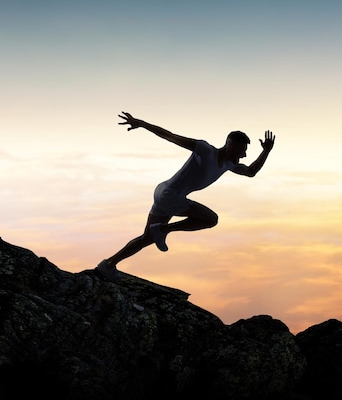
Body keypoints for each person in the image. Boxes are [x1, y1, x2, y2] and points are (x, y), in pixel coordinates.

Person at [96, 111, 276, 281]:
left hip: (165, 193)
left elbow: (251, 171)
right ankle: (164, 230)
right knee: (210, 219)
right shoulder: (206, 150)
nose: (244, 155)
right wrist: (141, 123)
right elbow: (171, 136)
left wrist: (266, 151)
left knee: (148, 237)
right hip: (170, 195)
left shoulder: (229, 164)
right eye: (242, 151)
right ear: (231, 147)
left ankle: (108, 264)